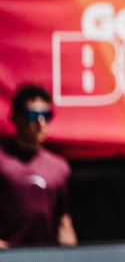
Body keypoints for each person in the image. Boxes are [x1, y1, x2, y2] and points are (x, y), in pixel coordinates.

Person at [0, 84, 77, 248]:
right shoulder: (2, 160)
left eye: (46, 115)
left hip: (45, 259)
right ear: (15, 117)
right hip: (5, 259)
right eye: (33, 115)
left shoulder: (59, 167)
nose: (41, 122)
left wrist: (72, 258)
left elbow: (63, 221)